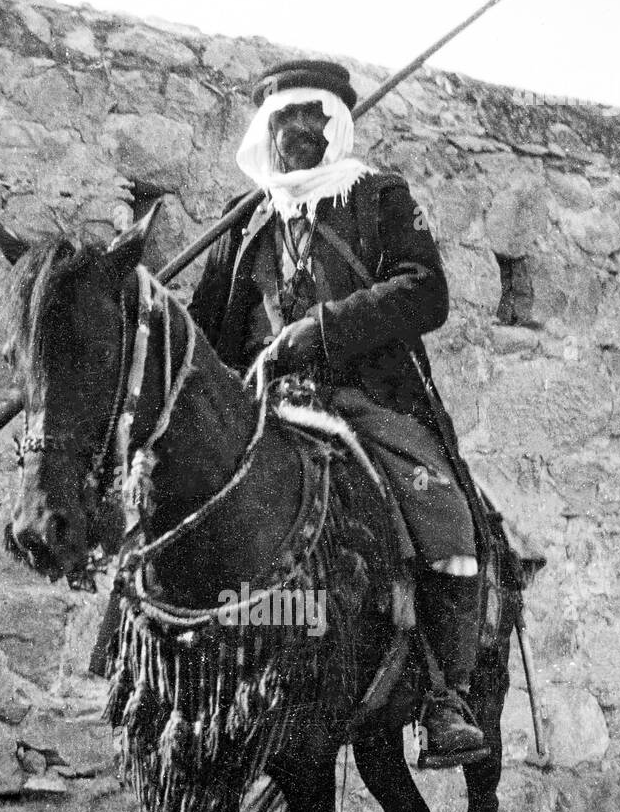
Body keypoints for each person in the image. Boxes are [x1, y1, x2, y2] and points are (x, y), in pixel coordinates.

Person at [188, 58, 488, 766]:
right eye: (283, 117)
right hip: (264, 411)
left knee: (444, 521)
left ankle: (445, 694)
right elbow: (204, 335)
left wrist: (317, 332)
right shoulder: (242, 226)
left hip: (365, 403)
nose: (298, 129)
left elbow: (424, 291)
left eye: (312, 115)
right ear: (266, 128)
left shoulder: (378, 198)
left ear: (335, 123)